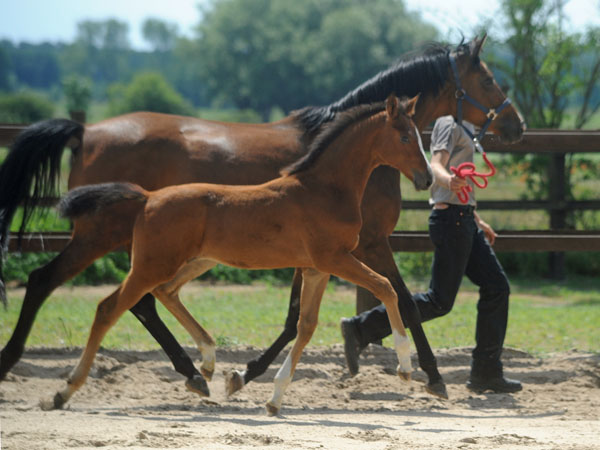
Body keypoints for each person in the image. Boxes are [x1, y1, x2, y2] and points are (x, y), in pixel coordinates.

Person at [341, 115, 522, 393]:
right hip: (451, 222)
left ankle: (487, 371)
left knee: (497, 287)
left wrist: (476, 217)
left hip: (465, 219)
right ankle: (361, 327)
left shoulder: (467, 126)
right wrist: (449, 181)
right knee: (439, 301)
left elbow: (461, 181)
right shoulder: (448, 123)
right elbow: (435, 165)